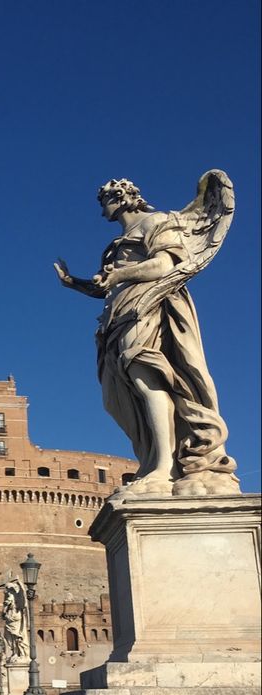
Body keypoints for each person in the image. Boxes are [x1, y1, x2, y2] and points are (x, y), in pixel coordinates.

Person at [54, 171, 238, 498]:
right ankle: (153, 460)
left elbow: (165, 265)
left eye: (104, 202)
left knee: (147, 380)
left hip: (147, 308)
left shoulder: (157, 223)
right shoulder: (116, 244)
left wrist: (120, 274)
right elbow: (107, 285)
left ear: (122, 197)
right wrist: (75, 283)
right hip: (119, 315)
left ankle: (164, 468)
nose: (102, 212)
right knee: (119, 398)